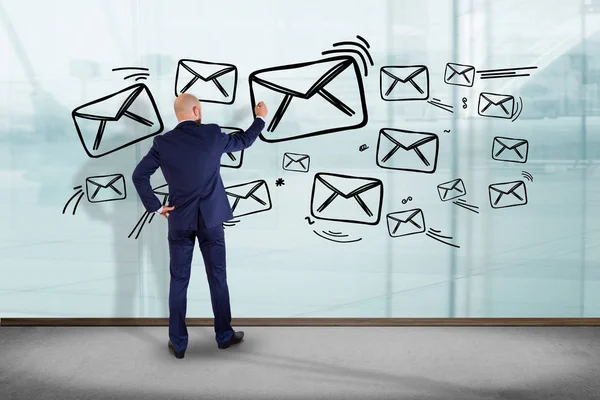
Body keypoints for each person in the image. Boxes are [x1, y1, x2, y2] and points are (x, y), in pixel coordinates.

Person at [132, 93, 268, 359]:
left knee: (178, 281)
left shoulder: (163, 142)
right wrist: (259, 118)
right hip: (211, 221)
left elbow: (139, 175)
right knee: (218, 278)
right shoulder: (212, 134)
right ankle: (224, 336)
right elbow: (244, 140)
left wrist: (157, 207)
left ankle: (179, 344)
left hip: (179, 221)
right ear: (196, 110)